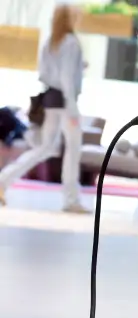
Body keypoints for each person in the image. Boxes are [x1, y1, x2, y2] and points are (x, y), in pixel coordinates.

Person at [0, 4, 89, 213]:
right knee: (72, 149)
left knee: (45, 147)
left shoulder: (51, 42)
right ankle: (71, 200)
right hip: (66, 103)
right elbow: (67, 78)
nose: (79, 15)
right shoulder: (72, 43)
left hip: (51, 100)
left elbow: (44, 74)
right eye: (76, 13)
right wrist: (73, 106)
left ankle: (3, 180)